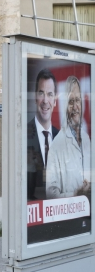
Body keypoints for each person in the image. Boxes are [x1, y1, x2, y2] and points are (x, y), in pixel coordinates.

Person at [46, 75, 90, 199]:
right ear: (65, 105)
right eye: (71, 101)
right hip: (71, 216)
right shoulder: (56, 145)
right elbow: (50, 194)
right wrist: (75, 194)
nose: (75, 106)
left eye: (78, 100)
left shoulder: (86, 139)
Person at [27, 69, 59, 200]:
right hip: (32, 208)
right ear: (35, 97)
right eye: (41, 93)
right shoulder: (24, 134)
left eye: (50, 94)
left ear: (55, 100)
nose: (45, 100)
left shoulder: (61, 138)